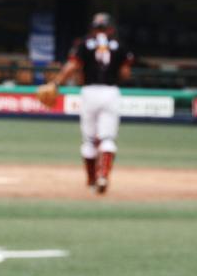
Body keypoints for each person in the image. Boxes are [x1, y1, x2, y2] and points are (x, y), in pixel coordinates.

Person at [43, 12, 134, 195]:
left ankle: (92, 181)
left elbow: (73, 66)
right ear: (111, 28)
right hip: (110, 92)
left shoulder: (83, 43)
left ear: (93, 28)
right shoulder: (120, 46)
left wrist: (56, 83)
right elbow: (125, 74)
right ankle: (103, 176)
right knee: (107, 139)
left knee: (89, 140)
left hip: (89, 92)